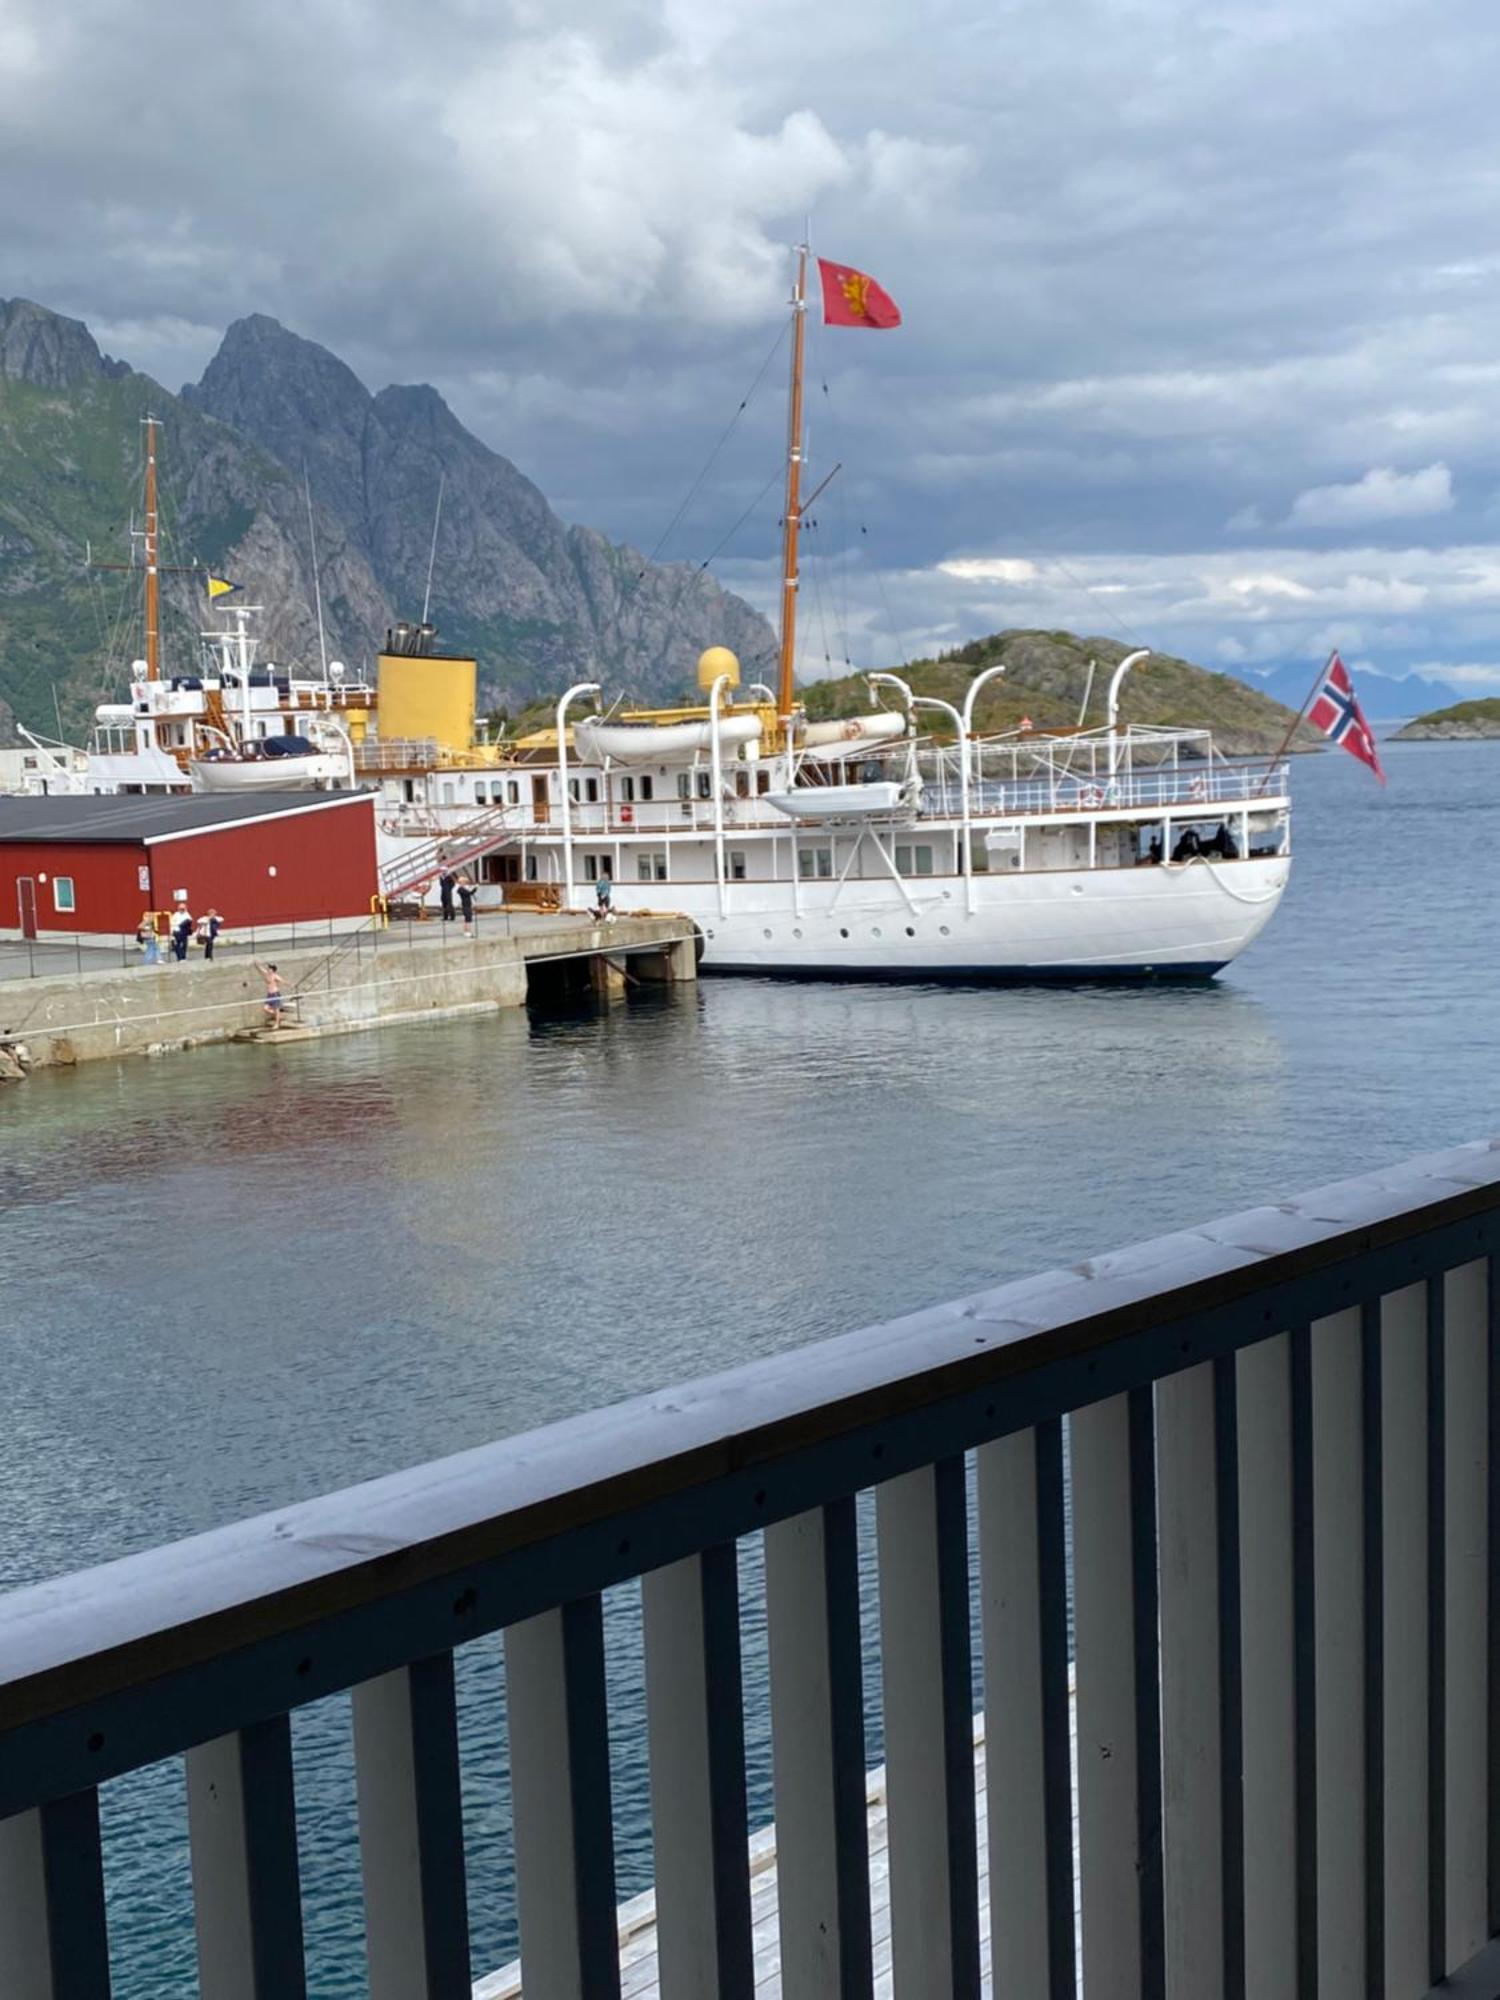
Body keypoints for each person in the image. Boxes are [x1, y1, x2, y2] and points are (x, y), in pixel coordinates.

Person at [255, 961, 285, 1029]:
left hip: (275, 994)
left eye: (270, 968)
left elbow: (282, 981)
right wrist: (257, 964)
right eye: (268, 968)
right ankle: (279, 1017)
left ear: (273, 970)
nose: (268, 969)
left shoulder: (275, 976)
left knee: (276, 1009)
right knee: (265, 1008)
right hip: (269, 994)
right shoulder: (267, 974)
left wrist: (291, 985)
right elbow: (261, 969)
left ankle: (277, 1024)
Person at [456, 871, 476, 937]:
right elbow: (470, 893)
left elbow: (469, 893)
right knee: (468, 919)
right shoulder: (461, 889)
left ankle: (465, 932)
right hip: (465, 905)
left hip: (467, 904)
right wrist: (475, 888)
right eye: (464, 882)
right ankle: (468, 932)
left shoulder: (463, 888)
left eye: (465, 882)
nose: (465, 883)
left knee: (467, 918)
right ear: (461, 883)